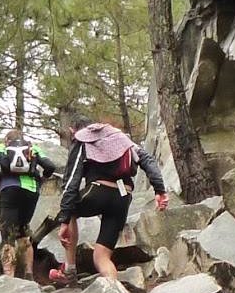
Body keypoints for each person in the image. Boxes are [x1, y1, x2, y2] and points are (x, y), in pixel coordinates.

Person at [54, 117, 168, 283]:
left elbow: (72, 181)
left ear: (73, 131)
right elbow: (147, 159)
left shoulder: (81, 139)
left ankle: (69, 270)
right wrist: (160, 190)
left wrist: (64, 220)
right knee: (101, 256)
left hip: (98, 191)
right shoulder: (119, 137)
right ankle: (115, 292)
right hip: (123, 197)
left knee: (70, 210)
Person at [0, 129, 57, 278]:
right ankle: (29, 274)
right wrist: (41, 179)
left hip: (10, 190)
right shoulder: (33, 148)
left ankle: (8, 277)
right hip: (31, 192)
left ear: (6, 141)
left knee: (8, 236)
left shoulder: (1, 148)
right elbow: (50, 167)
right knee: (23, 233)